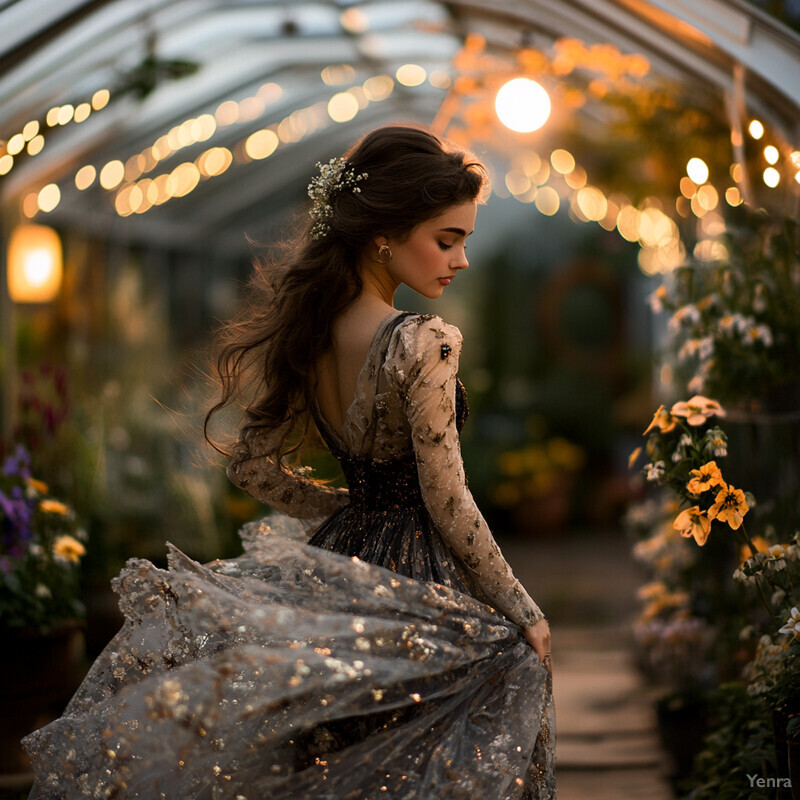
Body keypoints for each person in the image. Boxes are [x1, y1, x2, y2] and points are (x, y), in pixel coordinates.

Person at [23, 124, 555, 799]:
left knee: (339, 765)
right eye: (447, 240)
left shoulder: (315, 328)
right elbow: (447, 498)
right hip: (418, 583)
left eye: (465, 243)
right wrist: (524, 609)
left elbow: (250, 468)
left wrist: (351, 511)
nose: (462, 261)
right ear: (383, 234)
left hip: (342, 571)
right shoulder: (424, 342)